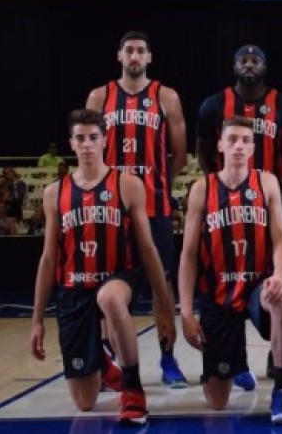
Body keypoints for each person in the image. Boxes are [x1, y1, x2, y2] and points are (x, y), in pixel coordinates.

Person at [28, 109, 177, 426]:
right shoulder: (54, 193)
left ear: (105, 140)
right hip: (73, 288)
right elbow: (48, 258)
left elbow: (148, 248)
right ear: (71, 142)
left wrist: (165, 305)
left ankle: (133, 390)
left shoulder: (127, 184)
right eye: (80, 138)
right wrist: (37, 320)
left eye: (93, 137)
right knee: (84, 403)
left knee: (109, 298)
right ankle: (104, 362)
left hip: (118, 277)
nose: (87, 145)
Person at [85, 30, 189, 387]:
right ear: (119, 55)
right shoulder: (100, 96)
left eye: (141, 50)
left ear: (149, 57)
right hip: (112, 210)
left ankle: (167, 357)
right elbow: (89, 149)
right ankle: (111, 360)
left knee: (163, 284)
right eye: (128, 50)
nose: (134, 56)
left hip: (155, 207)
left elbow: (179, 153)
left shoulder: (166, 96)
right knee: (108, 284)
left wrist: (155, 185)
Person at [178, 116, 282, 424]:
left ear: (253, 148)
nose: (239, 146)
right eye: (232, 139)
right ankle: (238, 365)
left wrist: (279, 275)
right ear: (220, 145)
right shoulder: (202, 189)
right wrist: (187, 313)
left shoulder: (267, 182)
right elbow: (189, 255)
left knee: (281, 298)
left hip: (258, 286)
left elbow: (281, 239)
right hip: (218, 292)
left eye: (245, 140)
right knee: (217, 403)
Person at [196, 45, 282, 184]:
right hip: (226, 190)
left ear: (265, 68)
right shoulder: (213, 104)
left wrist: (278, 186)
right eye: (243, 61)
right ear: (234, 67)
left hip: (269, 190)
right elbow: (203, 153)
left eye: (255, 61)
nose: (249, 65)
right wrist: (217, 184)